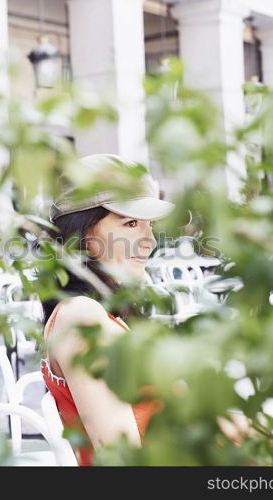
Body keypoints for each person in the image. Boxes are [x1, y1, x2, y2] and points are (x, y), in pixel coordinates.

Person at [40, 154, 175, 466]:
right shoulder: (82, 316)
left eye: (150, 224)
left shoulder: (104, 314)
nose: (150, 241)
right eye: (130, 223)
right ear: (84, 236)